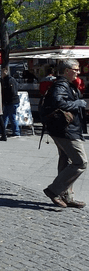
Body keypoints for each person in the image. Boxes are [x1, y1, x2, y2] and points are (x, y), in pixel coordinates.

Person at [42, 59, 87, 208]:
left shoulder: (66, 84)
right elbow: (58, 103)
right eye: (76, 69)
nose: (78, 72)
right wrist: (78, 104)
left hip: (64, 129)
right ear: (67, 70)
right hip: (66, 131)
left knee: (66, 161)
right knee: (80, 162)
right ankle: (54, 190)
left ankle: (67, 196)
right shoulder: (61, 84)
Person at [0, 68, 21, 137]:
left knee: (12, 117)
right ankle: (2, 129)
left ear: (6, 72)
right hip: (10, 101)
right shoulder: (7, 80)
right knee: (5, 116)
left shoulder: (9, 80)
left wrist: (6, 98)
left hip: (11, 101)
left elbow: (12, 92)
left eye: (2, 72)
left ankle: (16, 131)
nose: (1, 73)